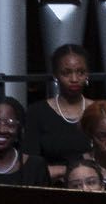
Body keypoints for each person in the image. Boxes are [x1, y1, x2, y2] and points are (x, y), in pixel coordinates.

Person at [23, 42, 101, 173]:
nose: (74, 79)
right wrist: (70, 171)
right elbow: (31, 166)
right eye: (66, 73)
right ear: (55, 75)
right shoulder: (37, 113)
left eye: (80, 72)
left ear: (87, 74)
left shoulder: (98, 111)